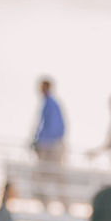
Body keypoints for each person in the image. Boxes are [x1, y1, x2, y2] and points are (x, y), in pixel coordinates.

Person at [32, 77, 67, 206]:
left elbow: (54, 127)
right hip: (48, 144)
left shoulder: (52, 104)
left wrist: (41, 142)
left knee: (55, 174)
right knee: (41, 176)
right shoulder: (47, 104)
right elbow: (41, 125)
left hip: (52, 145)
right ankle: (46, 203)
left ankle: (63, 204)